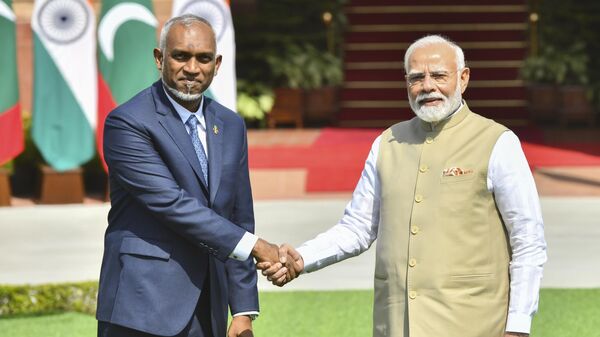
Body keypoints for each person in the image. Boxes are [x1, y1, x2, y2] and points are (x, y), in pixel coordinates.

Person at [260, 35, 547, 337]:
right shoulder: (387, 143)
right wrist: (302, 258)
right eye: (416, 78)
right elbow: (357, 227)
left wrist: (518, 325)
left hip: (474, 323)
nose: (427, 87)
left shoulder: (497, 142)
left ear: (463, 79)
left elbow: (528, 240)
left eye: (439, 75)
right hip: (396, 324)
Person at [96, 14, 292, 337]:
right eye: (180, 56)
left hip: (208, 309)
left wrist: (243, 309)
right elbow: (173, 204)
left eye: (203, 58)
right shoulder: (127, 123)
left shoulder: (230, 125)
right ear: (159, 59)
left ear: (217, 65)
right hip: (142, 307)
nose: (192, 68)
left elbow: (239, 217)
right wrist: (258, 247)